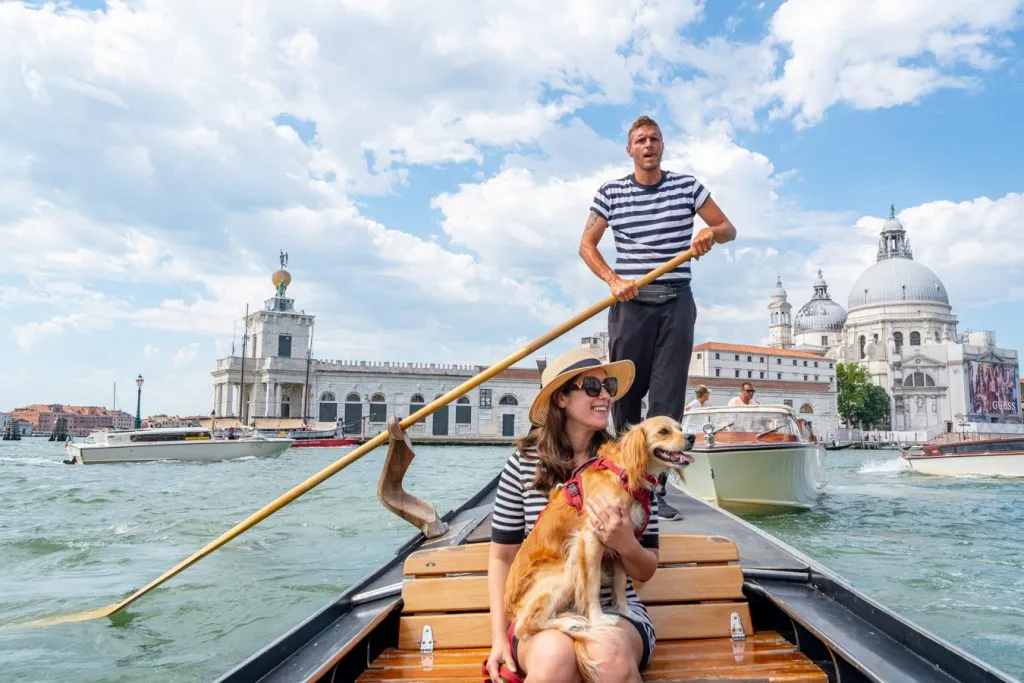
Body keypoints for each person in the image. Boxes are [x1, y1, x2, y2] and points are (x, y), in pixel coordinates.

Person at [579, 114, 736, 521]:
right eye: (640, 140)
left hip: (676, 303)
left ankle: (657, 490)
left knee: (667, 401)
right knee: (626, 396)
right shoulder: (611, 193)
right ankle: (623, 480)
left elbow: (727, 227)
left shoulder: (687, 187)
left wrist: (710, 234)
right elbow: (587, 246)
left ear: (662, 146)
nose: (648, 145)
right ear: (630, 149)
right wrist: (613, 280)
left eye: (655, 139)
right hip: (630, 304)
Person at [486, 348, 659, 683]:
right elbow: (502, 558)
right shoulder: (522, 465)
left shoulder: (634, 465)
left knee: (607, 654)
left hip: (616, 610)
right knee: (554, 658)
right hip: (543, 613)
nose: (606, 396)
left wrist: (625, 543)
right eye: (592, 387)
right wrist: (497, 636)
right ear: (561, 398)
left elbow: (647, 567)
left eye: (608, 386)